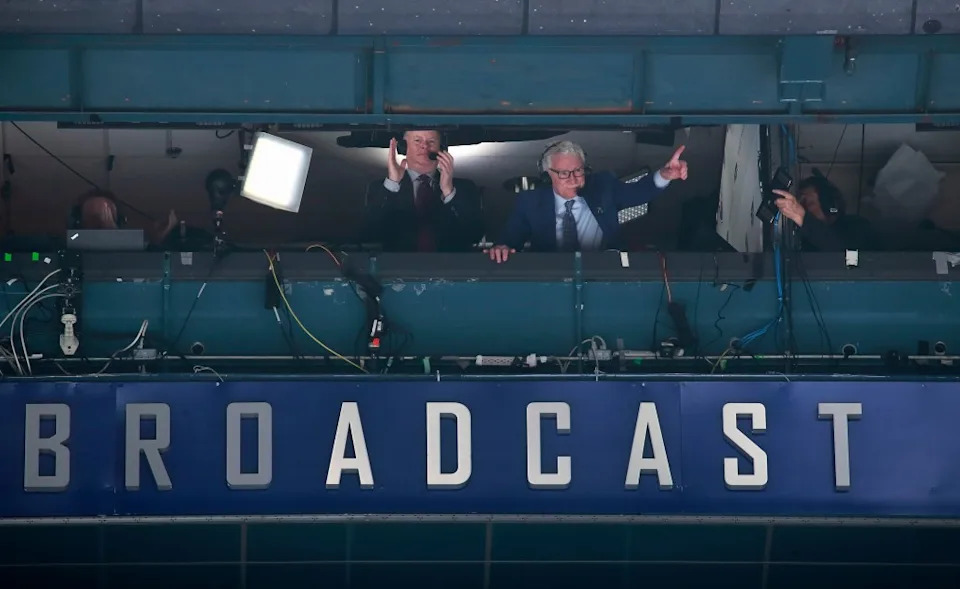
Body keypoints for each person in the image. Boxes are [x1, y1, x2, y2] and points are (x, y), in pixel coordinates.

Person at [486, 140, 688, 262]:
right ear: (548, 176)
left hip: (603, 274)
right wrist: (502, 248)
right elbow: (509, 241)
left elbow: (639, 193)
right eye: (564, 173)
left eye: (578, 171)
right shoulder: (529, 202)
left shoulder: (603, 186)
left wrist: (665, 174)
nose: (573, 179)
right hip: (551, 278)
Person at [364, 130, 483, 252]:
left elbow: (474, 235)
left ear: (441, 149)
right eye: (417, 141)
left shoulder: (465, 188)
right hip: (397, 263)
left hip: (450, 263)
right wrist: (393, 183)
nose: (425, 146)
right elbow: (370, 233)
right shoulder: (381, 188)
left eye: (431, 141)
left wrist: (449, 191)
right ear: (404, 147)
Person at [773, 173, 876, 251]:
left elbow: (841, 250)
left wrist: (801, 216)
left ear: (828, 205)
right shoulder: (803, 238)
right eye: (800, 204)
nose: (802, 208)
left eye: (809, 203)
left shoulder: (857, 226)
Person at [74, 189, 178, 247]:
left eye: (108, 216)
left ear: (119, 220)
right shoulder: (72, 244)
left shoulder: (136, 245)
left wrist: (163, 235)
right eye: (95, 217)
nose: (103, 221)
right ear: (79, 221)